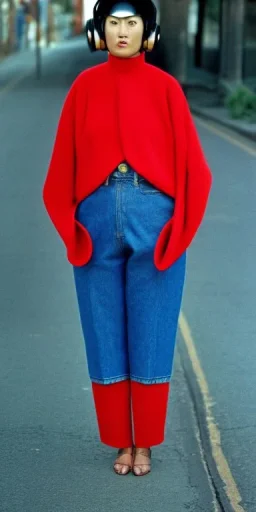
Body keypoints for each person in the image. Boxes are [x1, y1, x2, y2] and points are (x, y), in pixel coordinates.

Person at [42, 0, 212, 477]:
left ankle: (146, 444)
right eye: (113, 23)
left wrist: (177, 233)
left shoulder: (167, 89)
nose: (122, 32)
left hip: (153, 216)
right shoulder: (83, 87)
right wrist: (71, 227)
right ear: (99, 32)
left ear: (148, 33)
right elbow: (58, 171)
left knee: (153, 328)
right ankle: (121, 440)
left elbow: (197, 173)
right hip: (94, 219)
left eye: (131, 23)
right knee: (102, 329)